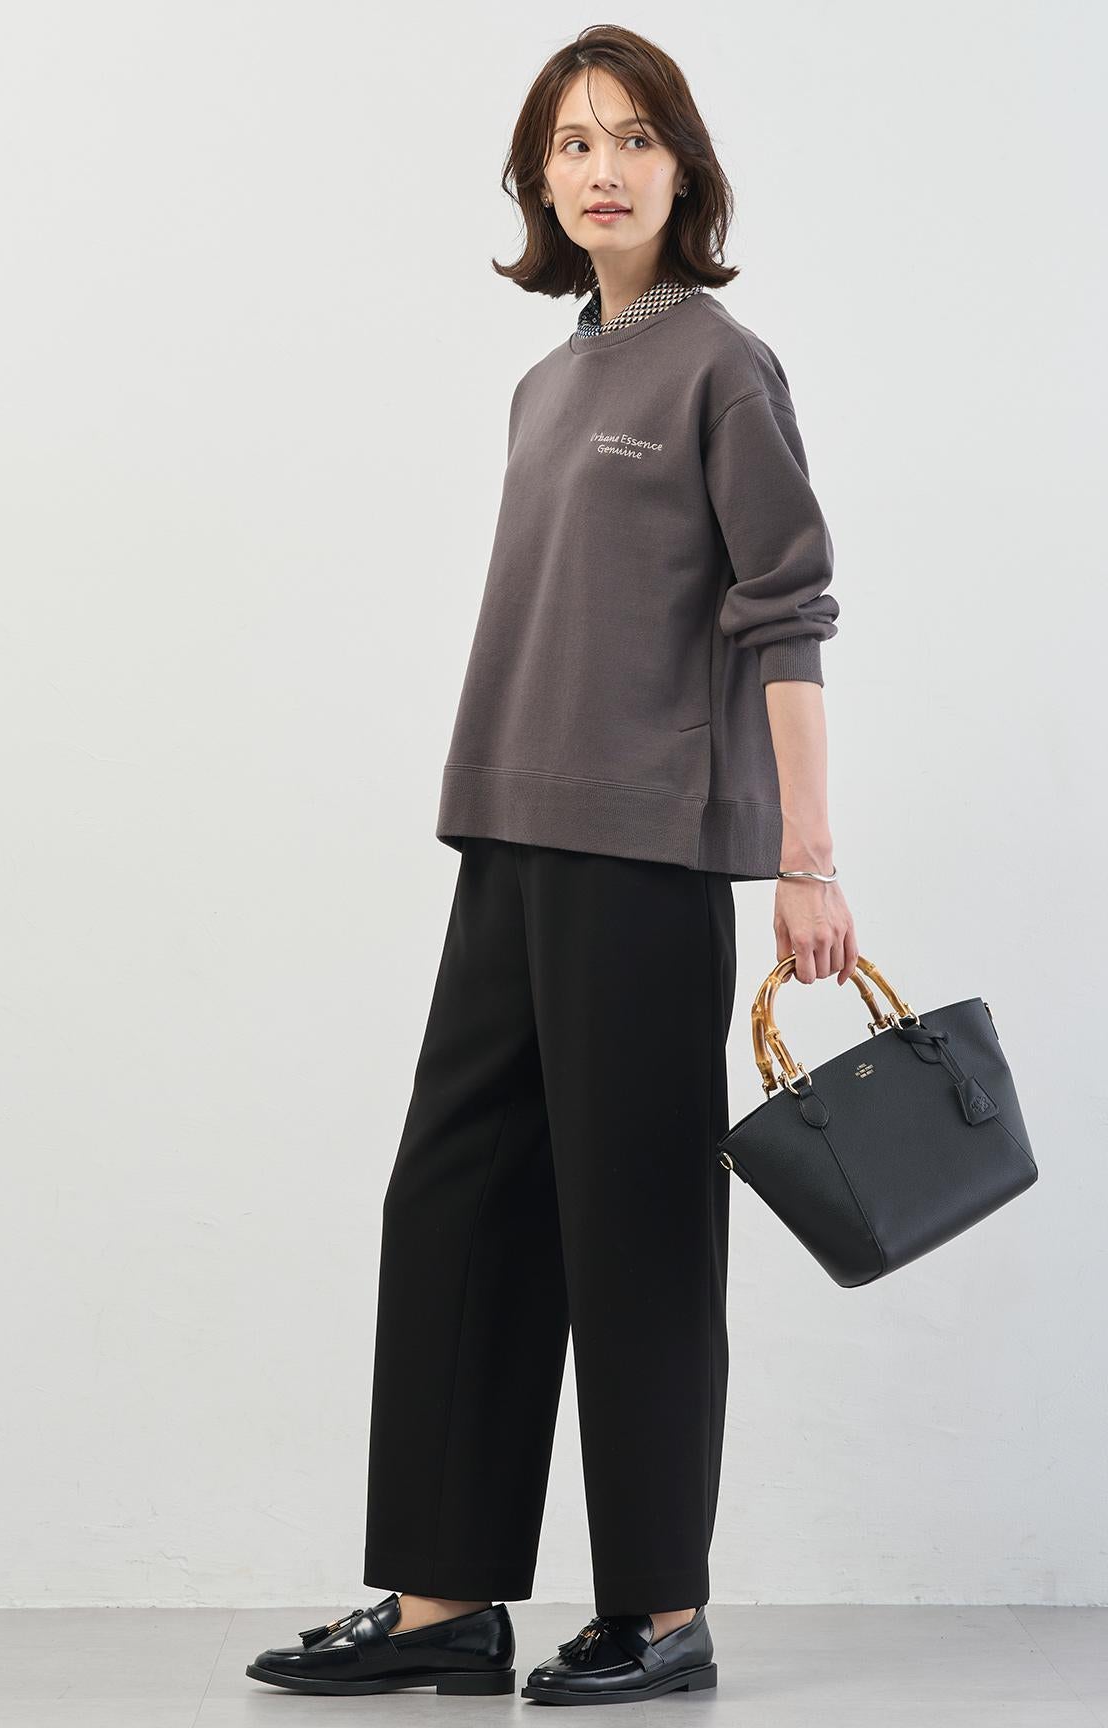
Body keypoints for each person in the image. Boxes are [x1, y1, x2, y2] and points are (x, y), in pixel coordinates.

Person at [246, 23, 857, 1707]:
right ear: (537, 178)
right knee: (455, 1197)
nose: (603, 169)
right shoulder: (547, 382)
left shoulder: (724, 367)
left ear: (685, 169)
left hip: (648, 857)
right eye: (574, 143)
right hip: (510, 839)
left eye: (635, 138)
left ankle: (660, 1611)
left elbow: (788, 612)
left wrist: (806, 857)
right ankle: (445, 1599)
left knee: (635, 1223)